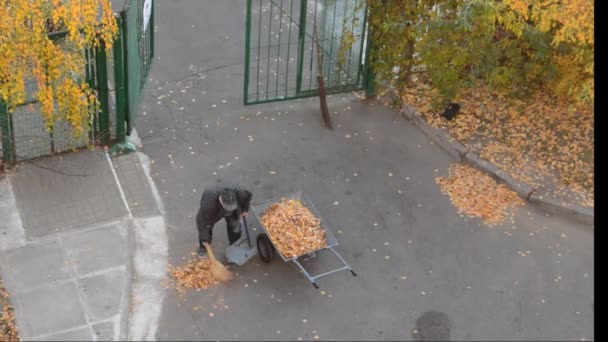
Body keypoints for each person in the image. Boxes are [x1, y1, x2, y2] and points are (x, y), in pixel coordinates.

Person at [196, 183, 252, 257]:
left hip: (234, 208)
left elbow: (247, 197)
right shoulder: (208, 203)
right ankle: (203, 248)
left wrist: (245, 208)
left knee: (235, 226)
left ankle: (234, 247)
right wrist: (204, 238)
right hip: (215, 210)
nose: (228, 211)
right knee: (207, 227)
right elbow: (202, 221)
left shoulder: (242, 192)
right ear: (220, 199)